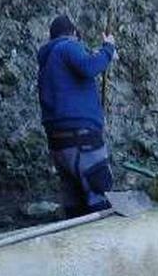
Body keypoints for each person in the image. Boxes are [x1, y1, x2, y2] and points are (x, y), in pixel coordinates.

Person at [37, 14, 117, 218]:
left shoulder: (47, 60)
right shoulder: (67, 46)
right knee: (99, 190)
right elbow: (89, 67)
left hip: (58, 141)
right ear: (73, 33)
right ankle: (103, 245)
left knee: (74, 199)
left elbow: (84, 64)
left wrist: (97, 54)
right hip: (82, 137)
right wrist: (108, 49)